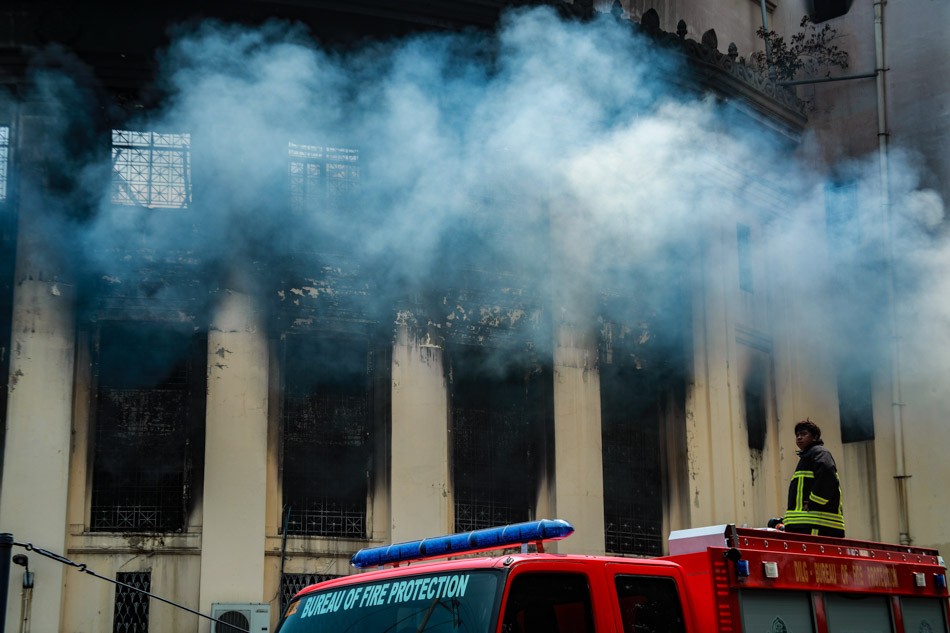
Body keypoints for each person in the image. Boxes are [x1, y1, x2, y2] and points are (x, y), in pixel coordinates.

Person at [782, 419, 845, 537]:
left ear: (815, 437)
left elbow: (827, 477)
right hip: (806, 525)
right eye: (797, 435)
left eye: (804, 434)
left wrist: (813, 503)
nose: (799, 438)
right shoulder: (807, 457)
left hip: (816, 525)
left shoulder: (819, 452)